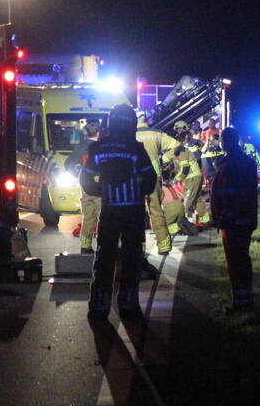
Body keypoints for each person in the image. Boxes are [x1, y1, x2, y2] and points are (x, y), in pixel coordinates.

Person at [81, 104, 156, 319]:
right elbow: (150, 180)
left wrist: (100, 191)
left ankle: (99, 304)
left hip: (109, 211)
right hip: (132, 212)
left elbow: (86, 178)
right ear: (131, 122)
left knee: (104, 255)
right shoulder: (136, 148)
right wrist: (137, 191)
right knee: (131, 257)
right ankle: (128, 303)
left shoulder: (99, 148)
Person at [209, 127, 258, 313]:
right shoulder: (246, 162)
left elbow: (230, 195)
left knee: (235, 263)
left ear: (225, 141)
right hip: (246, 219)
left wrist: (224, 218)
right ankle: (245, 300)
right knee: (243, 260)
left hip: (233, 222)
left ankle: (240, 304)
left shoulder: (230, 164)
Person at [136, 111, 181, 255]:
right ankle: (164, 245)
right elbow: (177, 145)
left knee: (135, 213)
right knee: (155, 210)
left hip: (135, 178)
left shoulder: (130, 134)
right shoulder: (156, 133)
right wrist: (164, 159)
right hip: (154, 176)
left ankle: (139, 248)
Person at [67, 122, 103, 253]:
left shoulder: (80, 147)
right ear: (99, 133)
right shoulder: (100, 147)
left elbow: (68, 164)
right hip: (99, 185)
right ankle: (103, 245)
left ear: (86, 134)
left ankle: (85, 246)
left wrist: (78, 175)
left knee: (88, 216)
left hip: (85, 184)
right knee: (103, 216)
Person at [172, 145, 206, 225]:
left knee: (187, 201)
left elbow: (185, 169)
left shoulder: (182, 154)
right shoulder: (185, 151)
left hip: (193, 178)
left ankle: (186, 223)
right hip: (194, 177)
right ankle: (202, 219)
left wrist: (176, 179)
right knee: (194, 199)